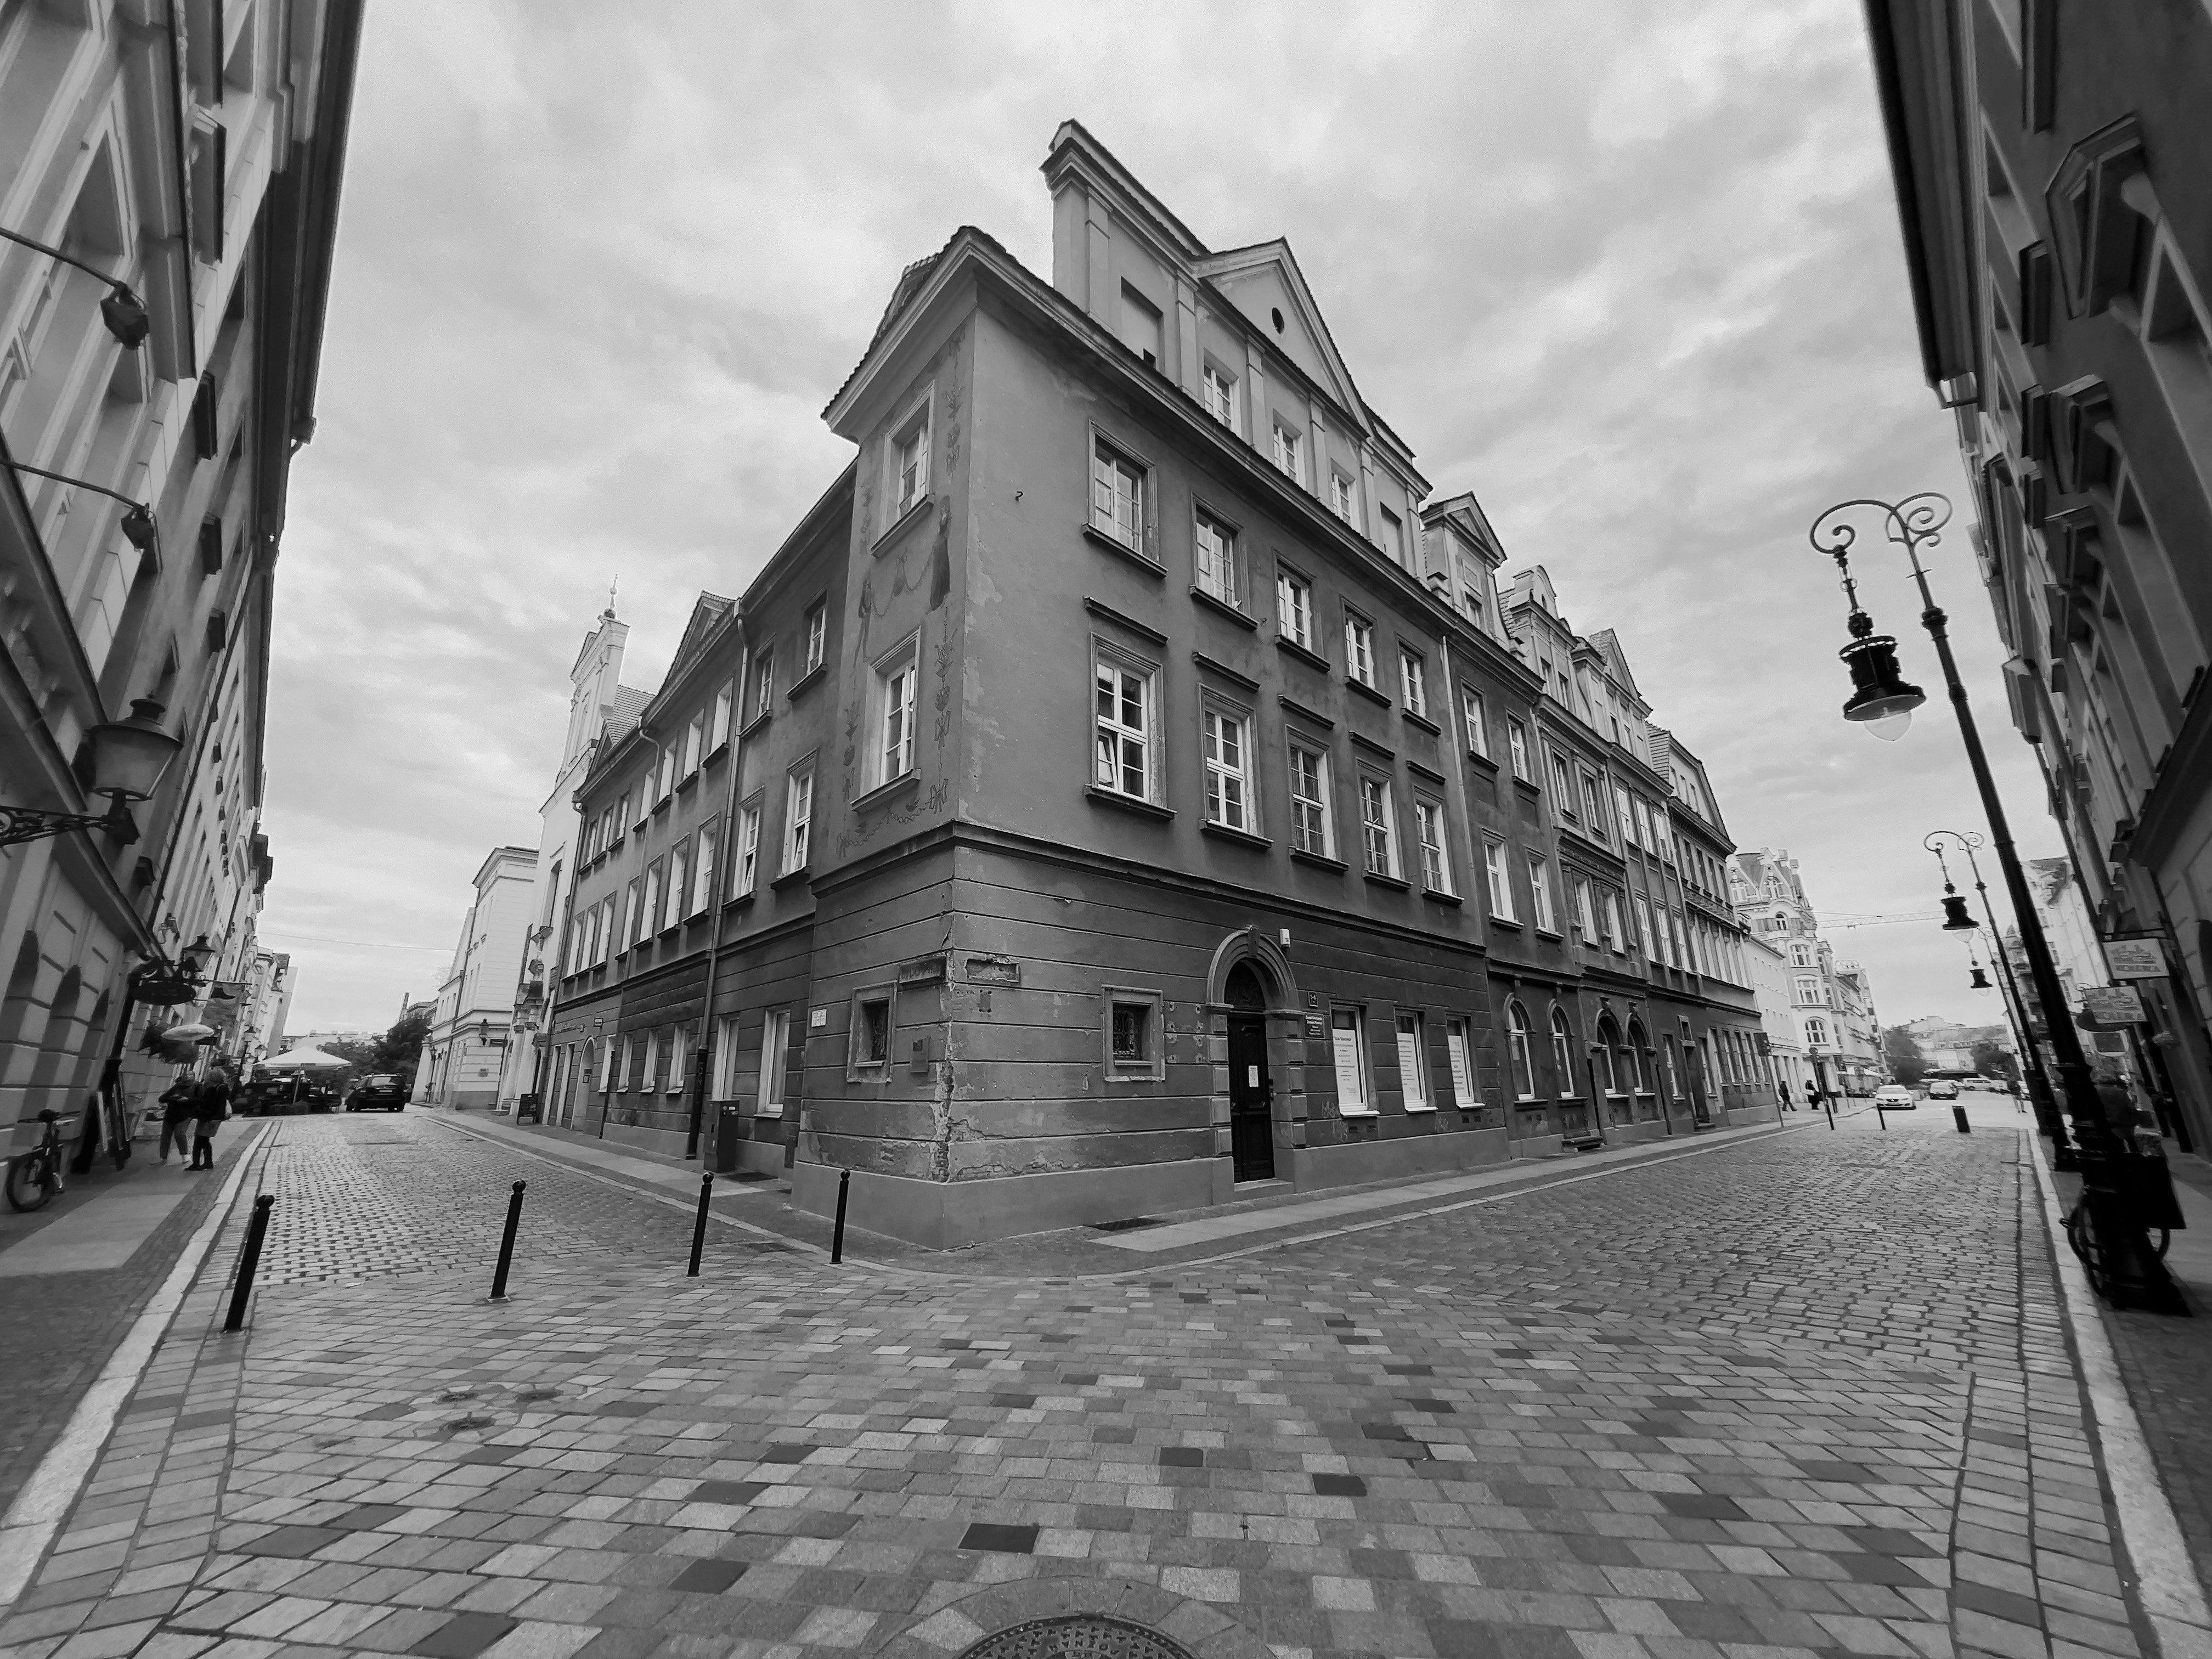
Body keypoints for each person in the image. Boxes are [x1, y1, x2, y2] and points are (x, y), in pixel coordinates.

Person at [189, 1066, 233, 1170]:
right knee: (200, 1139)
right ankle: (197, 1163)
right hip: (206, 1116)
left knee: (202, 1140)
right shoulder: (213, 1086)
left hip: (211, 1118)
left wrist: (216, 1118)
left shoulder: (221, 1088)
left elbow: (220, 1105)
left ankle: (206, 1163)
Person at [157, 1075, 199, 1164]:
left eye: (186, 1083)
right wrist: (172, 1098)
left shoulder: (197, 1086)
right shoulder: (176, 1087)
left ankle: (185, 1155)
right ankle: (163, 1157)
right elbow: (162, 1099)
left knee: (179, 1134)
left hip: (185, 1115)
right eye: (182, 1082)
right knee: (165, 1136)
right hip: (170, 1115)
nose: (183, 1085)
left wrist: (187, 1100)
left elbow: (198, 1100)